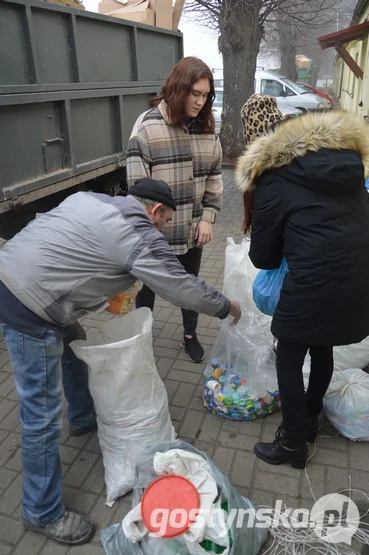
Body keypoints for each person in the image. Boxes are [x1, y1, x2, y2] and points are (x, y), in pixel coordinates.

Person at [0, 178, 241, 545]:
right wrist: (225, 305)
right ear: (155, 210)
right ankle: (42, 511)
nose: (160, 229)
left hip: (18, 277)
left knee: (73, 342)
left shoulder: (91, 199)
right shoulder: (137, 232)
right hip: (28, 305)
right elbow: (180, 285)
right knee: (40, 415)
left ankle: (83, 418)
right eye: (164, 221)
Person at [236, 110, 369, 469]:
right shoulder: (350, 168)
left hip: (310, 281)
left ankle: (293, 443)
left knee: (289, 358)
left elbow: (264, 257)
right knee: (321, 346)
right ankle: (309, 419)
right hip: (356, 279)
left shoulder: (276, 179)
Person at [126, 56, 222, 363]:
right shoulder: (148, 126)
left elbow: (215, 177)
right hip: (156, 235)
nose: (199, 101)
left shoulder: (207, 128)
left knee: (190, 287)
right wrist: (149, 227)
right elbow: (137, 186)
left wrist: (207, 218)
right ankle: (138, 339)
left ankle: (190, 335)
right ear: (178, 88)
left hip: (192, 231)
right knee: (148, 289)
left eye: (205, 95)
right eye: (195, 93)